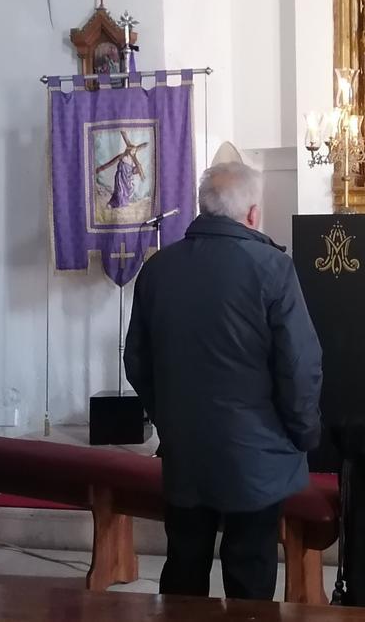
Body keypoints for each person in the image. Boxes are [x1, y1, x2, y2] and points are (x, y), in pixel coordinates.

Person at [124, 161, 323, 601]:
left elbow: (136, 359)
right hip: (257, 454)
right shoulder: (272, 268)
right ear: (252, 214)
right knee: (249, 569)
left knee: (184, 564)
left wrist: (169, 419)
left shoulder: (158, 269)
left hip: (186, 450)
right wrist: (304, 433)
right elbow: (299, 365)